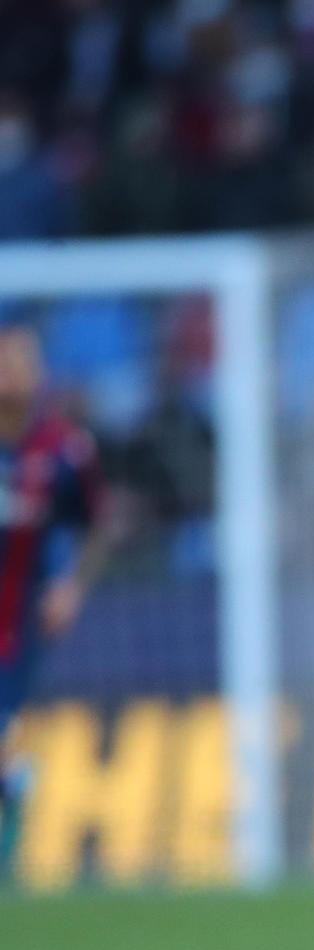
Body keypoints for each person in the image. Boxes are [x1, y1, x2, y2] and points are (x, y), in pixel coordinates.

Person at [0, 322, 115, 874]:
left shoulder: (65, 449)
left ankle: (11, 822)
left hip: (19, 619)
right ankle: (14, 786)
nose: (11, 374)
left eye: (21, 363)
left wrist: (70, 586)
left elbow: (99, 524)